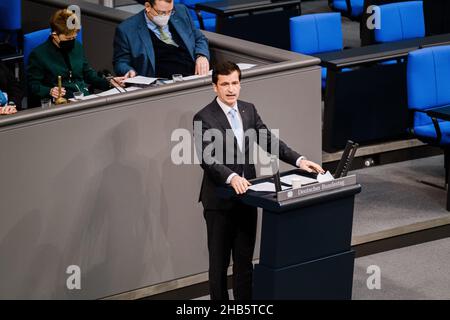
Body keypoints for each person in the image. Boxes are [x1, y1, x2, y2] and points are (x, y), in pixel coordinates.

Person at [193, 61, 324, 300]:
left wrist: (299, 160)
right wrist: (231, 177)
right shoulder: (204, 117)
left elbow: (269, 141)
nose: (231, 89)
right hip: (219, 202)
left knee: (244, 263)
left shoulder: (248, 110)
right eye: (225, 84)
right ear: (215, 87)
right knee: (219, 266)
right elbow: (207, 159)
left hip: (248, 198)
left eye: (235, 83)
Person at [27, 9, 124, 106]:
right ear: (55, 35)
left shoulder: (77, 46)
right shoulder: (39, 55)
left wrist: (110, 83)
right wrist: (50, 91)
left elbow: (88, 74)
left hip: (83, 98)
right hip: (60, 103)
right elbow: (33, 85)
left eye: (74, 37)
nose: (72, 41)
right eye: (68, 38)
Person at [113, 0, 210, 79]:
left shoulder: (181, 11)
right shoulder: (127, 29)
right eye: (162, 13)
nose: (167, 16)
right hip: (162, 84)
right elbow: (120, 62)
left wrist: (201, 55)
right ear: (148, 7)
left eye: (170, 11)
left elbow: (199, 38)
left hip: (195, 77)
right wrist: (129, 71)